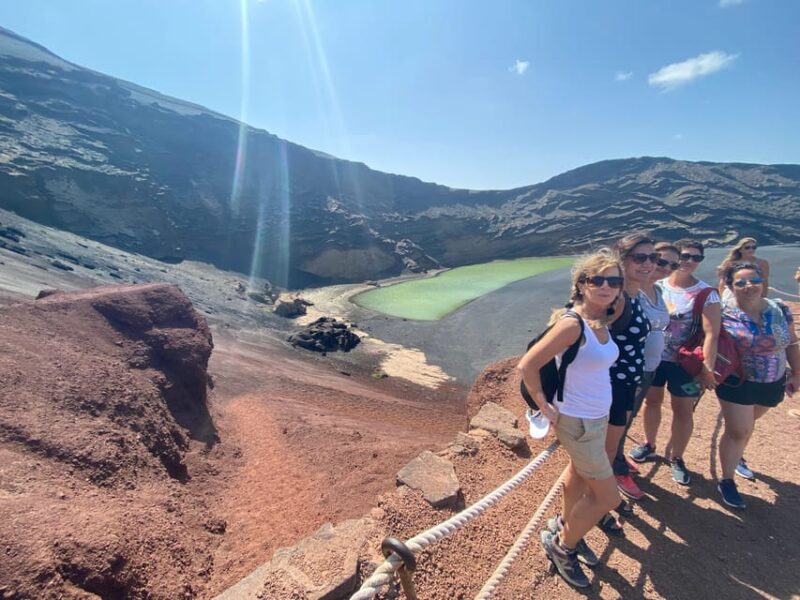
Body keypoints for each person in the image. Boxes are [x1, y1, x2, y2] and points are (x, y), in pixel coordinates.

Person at [517, 249, 622, 588]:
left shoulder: (602, 319)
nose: (607, 286)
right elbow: (527, 365)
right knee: (608, 498)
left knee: (578, 476)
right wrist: (543, 404)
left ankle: (566, 525)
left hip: (596, 416)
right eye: (598, 279)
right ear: (582, 284)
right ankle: (563, 546)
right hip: (578, 422)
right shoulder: (571, 324)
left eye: (614, 280)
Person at [628, 240, 720, 486]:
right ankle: (649, 444)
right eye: (685, 257)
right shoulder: (655, 286)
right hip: (654, 362)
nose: (688, 262)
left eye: (695, 258)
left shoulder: (705, 293)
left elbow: (712, 333)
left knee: (683, 409)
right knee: (652, 401)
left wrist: (707, 368)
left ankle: (677, 458)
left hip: (685, 364)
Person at [715, 262, 800, 508]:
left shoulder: (780, 309)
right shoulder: (723, 312)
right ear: (731, 286)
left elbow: (792, 343)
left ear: (763, 282)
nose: (748, 286)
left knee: (748, 423)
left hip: (773, 380)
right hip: (737, 380)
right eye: (740, 282)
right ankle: (727, 479)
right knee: (739, 429)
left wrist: (797, 373)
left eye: (753, 280)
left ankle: (736, 454)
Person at [614, 242, 675, 480]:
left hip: (648, 369)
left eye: (672, 264)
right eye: (645, 258)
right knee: (618, 422)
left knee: (628, 419)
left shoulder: (658, 292)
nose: (655, 265)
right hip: (625, 373)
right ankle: (614, 469)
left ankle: (617, 459)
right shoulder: (624, 294)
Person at [604, 233, 653, 511]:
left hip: (625, 385)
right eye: (640, 257)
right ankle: (584, 514)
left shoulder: (635, 295)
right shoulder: (617, 298)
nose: (649, 263)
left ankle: (601, 504)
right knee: (599, 457)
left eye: (652, 258)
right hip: (608, 388)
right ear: (622, 260)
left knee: (608, 454)